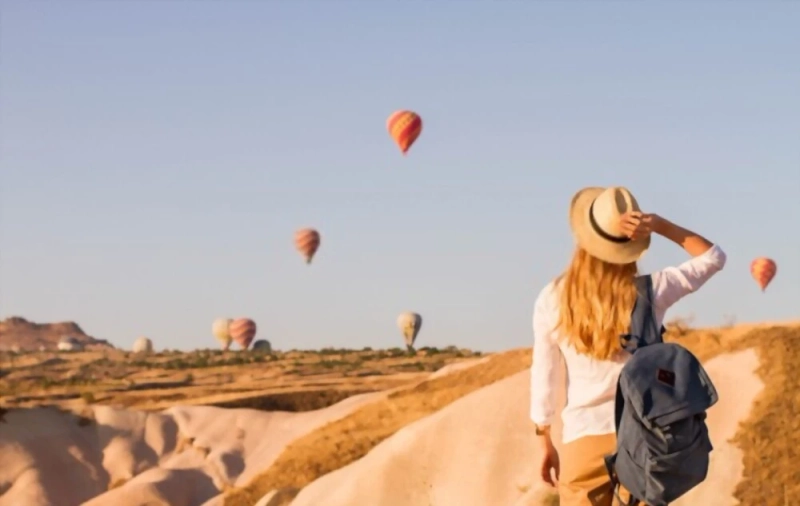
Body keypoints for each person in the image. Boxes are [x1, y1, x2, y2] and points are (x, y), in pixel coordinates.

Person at [529, 186, 727, 506]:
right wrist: (660, 225)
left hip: (583, 439)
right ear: (632, 246)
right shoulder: (653, 290)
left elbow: (544, 376)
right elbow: (713, 257)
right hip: (646, 438)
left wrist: (545, 441)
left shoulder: (552, 299)